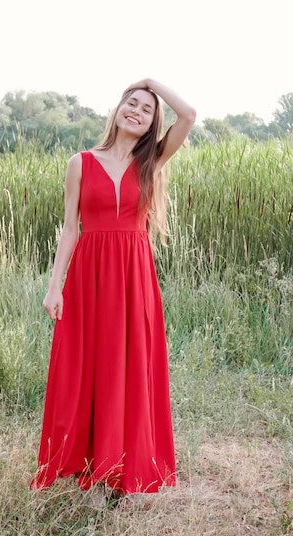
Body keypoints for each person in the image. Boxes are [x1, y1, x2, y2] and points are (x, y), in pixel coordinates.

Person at [30, 78, 196, 508]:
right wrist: (54, 287)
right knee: (89, 367)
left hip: (134, 275)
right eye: (131, 102)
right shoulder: (80, 162)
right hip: (89, 274)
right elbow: (70, 229)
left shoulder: (152, 161)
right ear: (118, 108)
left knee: (128, 366)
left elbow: (189, 116)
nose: (137, 111)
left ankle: (119, 474)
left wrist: (151, 82)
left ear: (150, 125)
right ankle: (89, 469)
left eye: (146, 110)